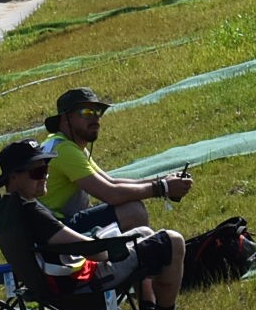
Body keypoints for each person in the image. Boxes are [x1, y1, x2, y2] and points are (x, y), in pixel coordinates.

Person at [0, 138, 200, 310]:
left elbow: (68, 243)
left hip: (55, 286)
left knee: (144, 233)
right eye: (37, 172)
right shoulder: (32, 212)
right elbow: (93, 251)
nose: (45, 176)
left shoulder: (9, 209)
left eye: (46, 169)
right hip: (80, 288)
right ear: (13, 177)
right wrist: (115, 246)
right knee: (172, 241)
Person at [41, 87, 190, 237]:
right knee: (133, 211)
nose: (95, 118)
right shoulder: (64, 150)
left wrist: (163, 180)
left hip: (56, 226)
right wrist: (162, 188)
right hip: (56, 230)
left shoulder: (64, 144)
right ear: (65, 119)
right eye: (86, 112)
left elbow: (112, 182)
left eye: (98, 112)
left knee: (130, 205)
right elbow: (111, 194)